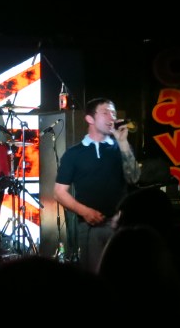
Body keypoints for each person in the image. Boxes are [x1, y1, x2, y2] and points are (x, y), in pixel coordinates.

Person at [53, 97, 141, 272]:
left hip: (119, 225)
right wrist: (85, 212)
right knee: (93, 276)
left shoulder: (121, 148)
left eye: (114, 113)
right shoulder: (74, 154)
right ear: (90, 119)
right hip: (89, 226)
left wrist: (123, 142)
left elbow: (134, 179)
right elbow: (59, 192)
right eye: (106, 112)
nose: (112, 117)